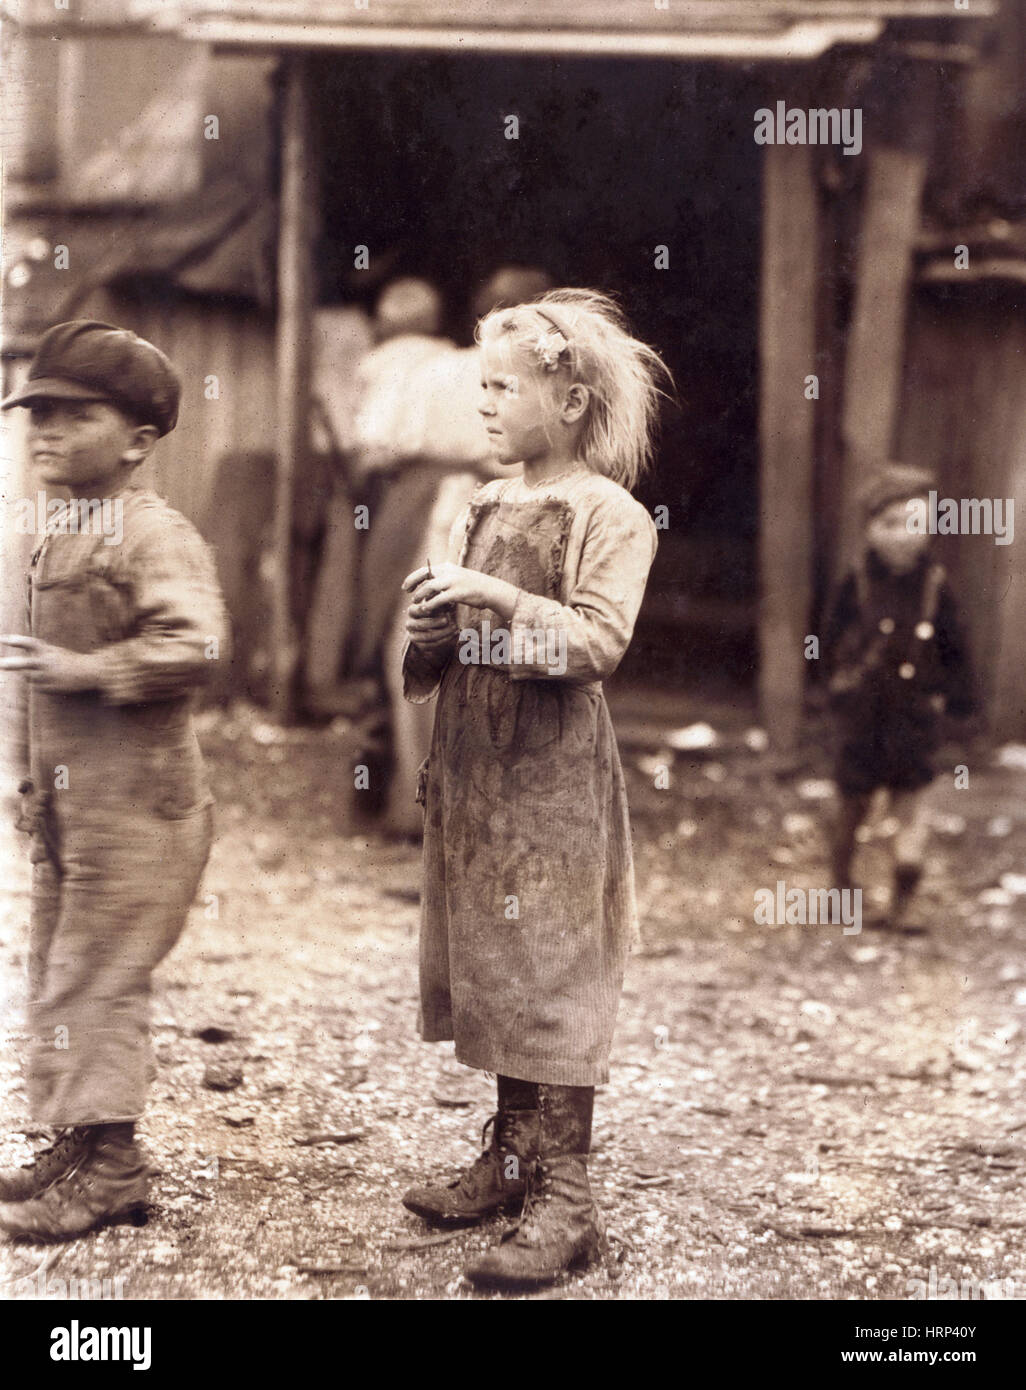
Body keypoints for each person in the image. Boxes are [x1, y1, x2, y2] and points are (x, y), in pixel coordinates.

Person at [398, 289, 669, 1288]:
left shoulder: (612, 515)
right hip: (476, 772)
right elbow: (443, 653)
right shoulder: (479, 504)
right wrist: (430, 628)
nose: (484, 402)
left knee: (552, 968)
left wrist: (498, 595)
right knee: (498, 958)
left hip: (551, 778)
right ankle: (512, 1158)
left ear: (566, 401)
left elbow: (596, 641)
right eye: (482, 383)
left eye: (502, 385)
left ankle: (569, 1198)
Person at [0, 320, 227, 1239]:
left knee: (97, 982)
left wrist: (89, 672)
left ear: (138, 441)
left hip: (142, 811)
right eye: (35, 413)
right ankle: (82, 1139)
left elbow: (195, 643)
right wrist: (21, 778)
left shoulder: (150, 534)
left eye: (73, 414)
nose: (44, 430)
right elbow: (21, 670)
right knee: (58, 974)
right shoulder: (43, 530)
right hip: (68, 808)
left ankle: (116, 1170)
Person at [824, 462, 976, 931]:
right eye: (888, 524)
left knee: (911, 805)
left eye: (914, 524)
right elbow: (829, 637)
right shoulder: (857, 581)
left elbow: (956, 648)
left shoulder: (936, 586)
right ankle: (842, 888)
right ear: (869, 528)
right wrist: (833, 681)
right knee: (852, 803)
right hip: (863, 714)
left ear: (930, 529)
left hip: (914, 717)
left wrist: (960, 701)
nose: (901, 536)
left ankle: (902, 900)